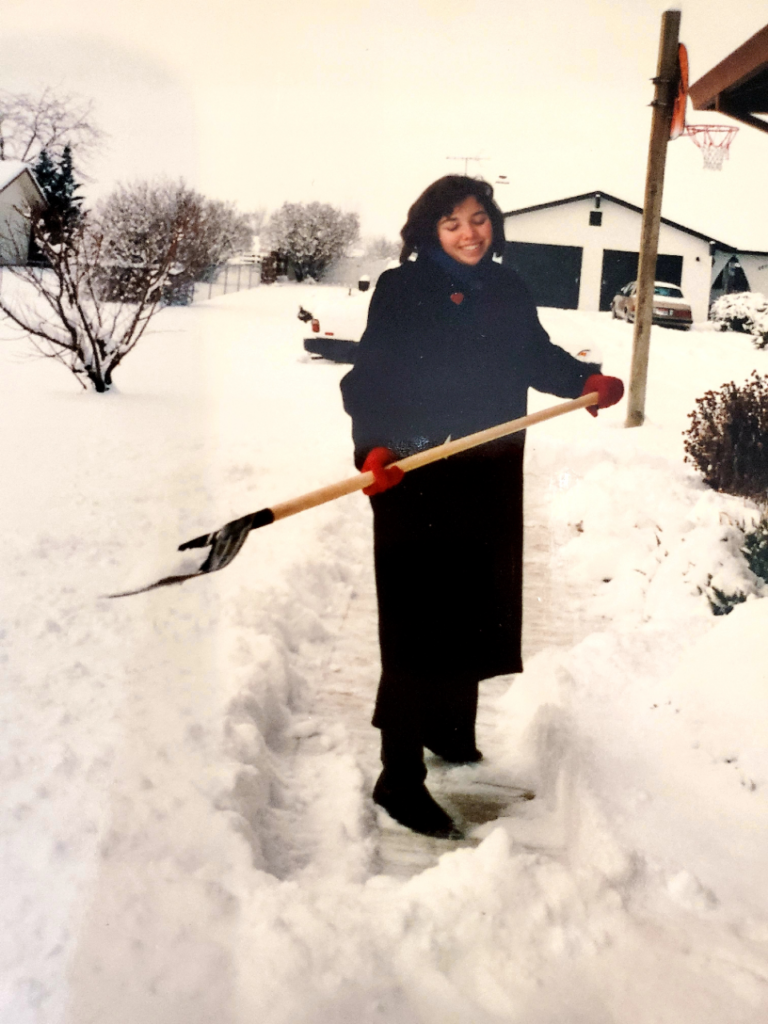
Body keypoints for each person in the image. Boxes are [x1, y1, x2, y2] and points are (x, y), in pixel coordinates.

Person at [340, 176, 623, 839]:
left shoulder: (508, 289)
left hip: (487, 472)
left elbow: (532, 354)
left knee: (468, 603)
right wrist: (373, 448)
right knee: (417, 620)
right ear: (428, 232)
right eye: (452, 223)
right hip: (415, 470)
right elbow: (369, 375)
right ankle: (398, 776)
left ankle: (448, 729)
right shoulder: (402, 288)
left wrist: (583, 378)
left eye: (479, 219)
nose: (470, 233)